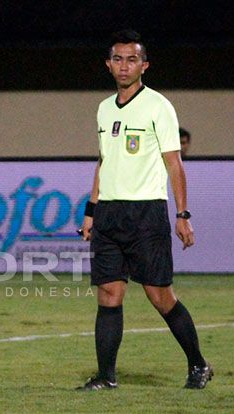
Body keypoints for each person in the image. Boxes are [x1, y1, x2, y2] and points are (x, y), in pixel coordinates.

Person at [78, 30, 212, 390]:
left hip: (146, 215)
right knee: (109, 295)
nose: (124, 66)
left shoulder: (158, 106)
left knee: (159, 296)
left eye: (132, 59)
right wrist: (91, 210)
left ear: (145, 65)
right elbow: (104, 162)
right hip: (108, 213)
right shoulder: (104, 108)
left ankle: (198, 364)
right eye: (118, 59)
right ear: (108, 64)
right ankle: (106, 377)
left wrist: (182, 215)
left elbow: (175, 165)